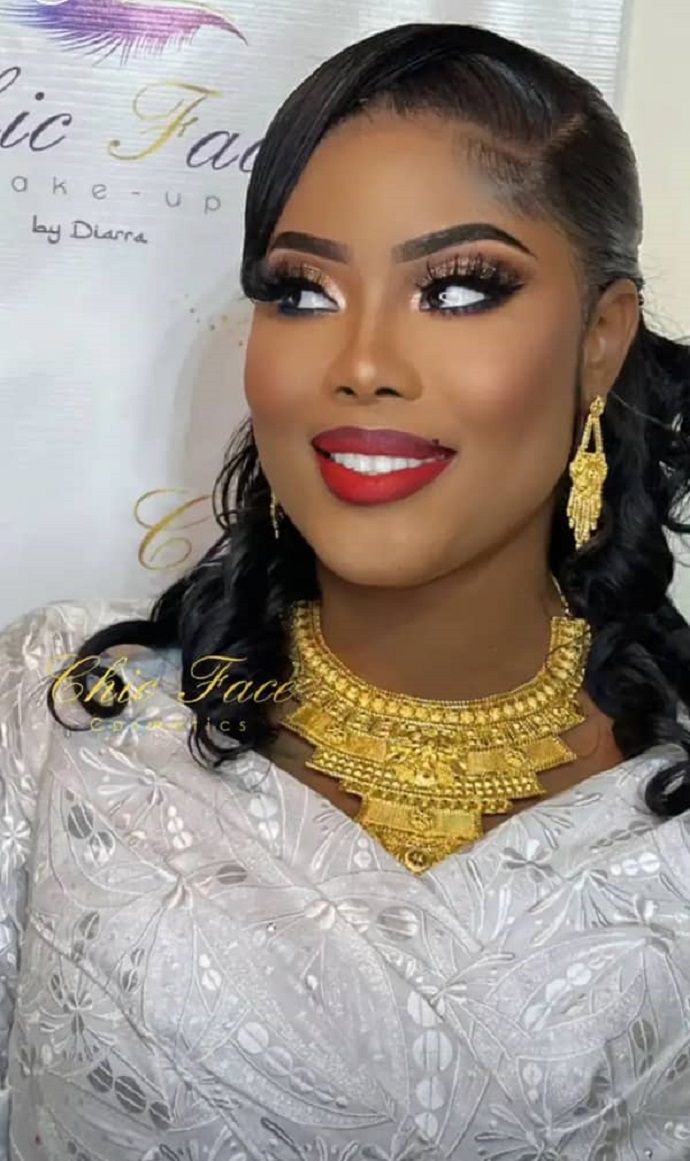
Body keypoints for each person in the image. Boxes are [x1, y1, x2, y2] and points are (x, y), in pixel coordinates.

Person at [2, 20, 690, 1160]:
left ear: (602, 339)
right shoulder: (65, 725)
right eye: (303, 291)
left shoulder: (663, 822)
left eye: (459, 290)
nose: (361, 362)